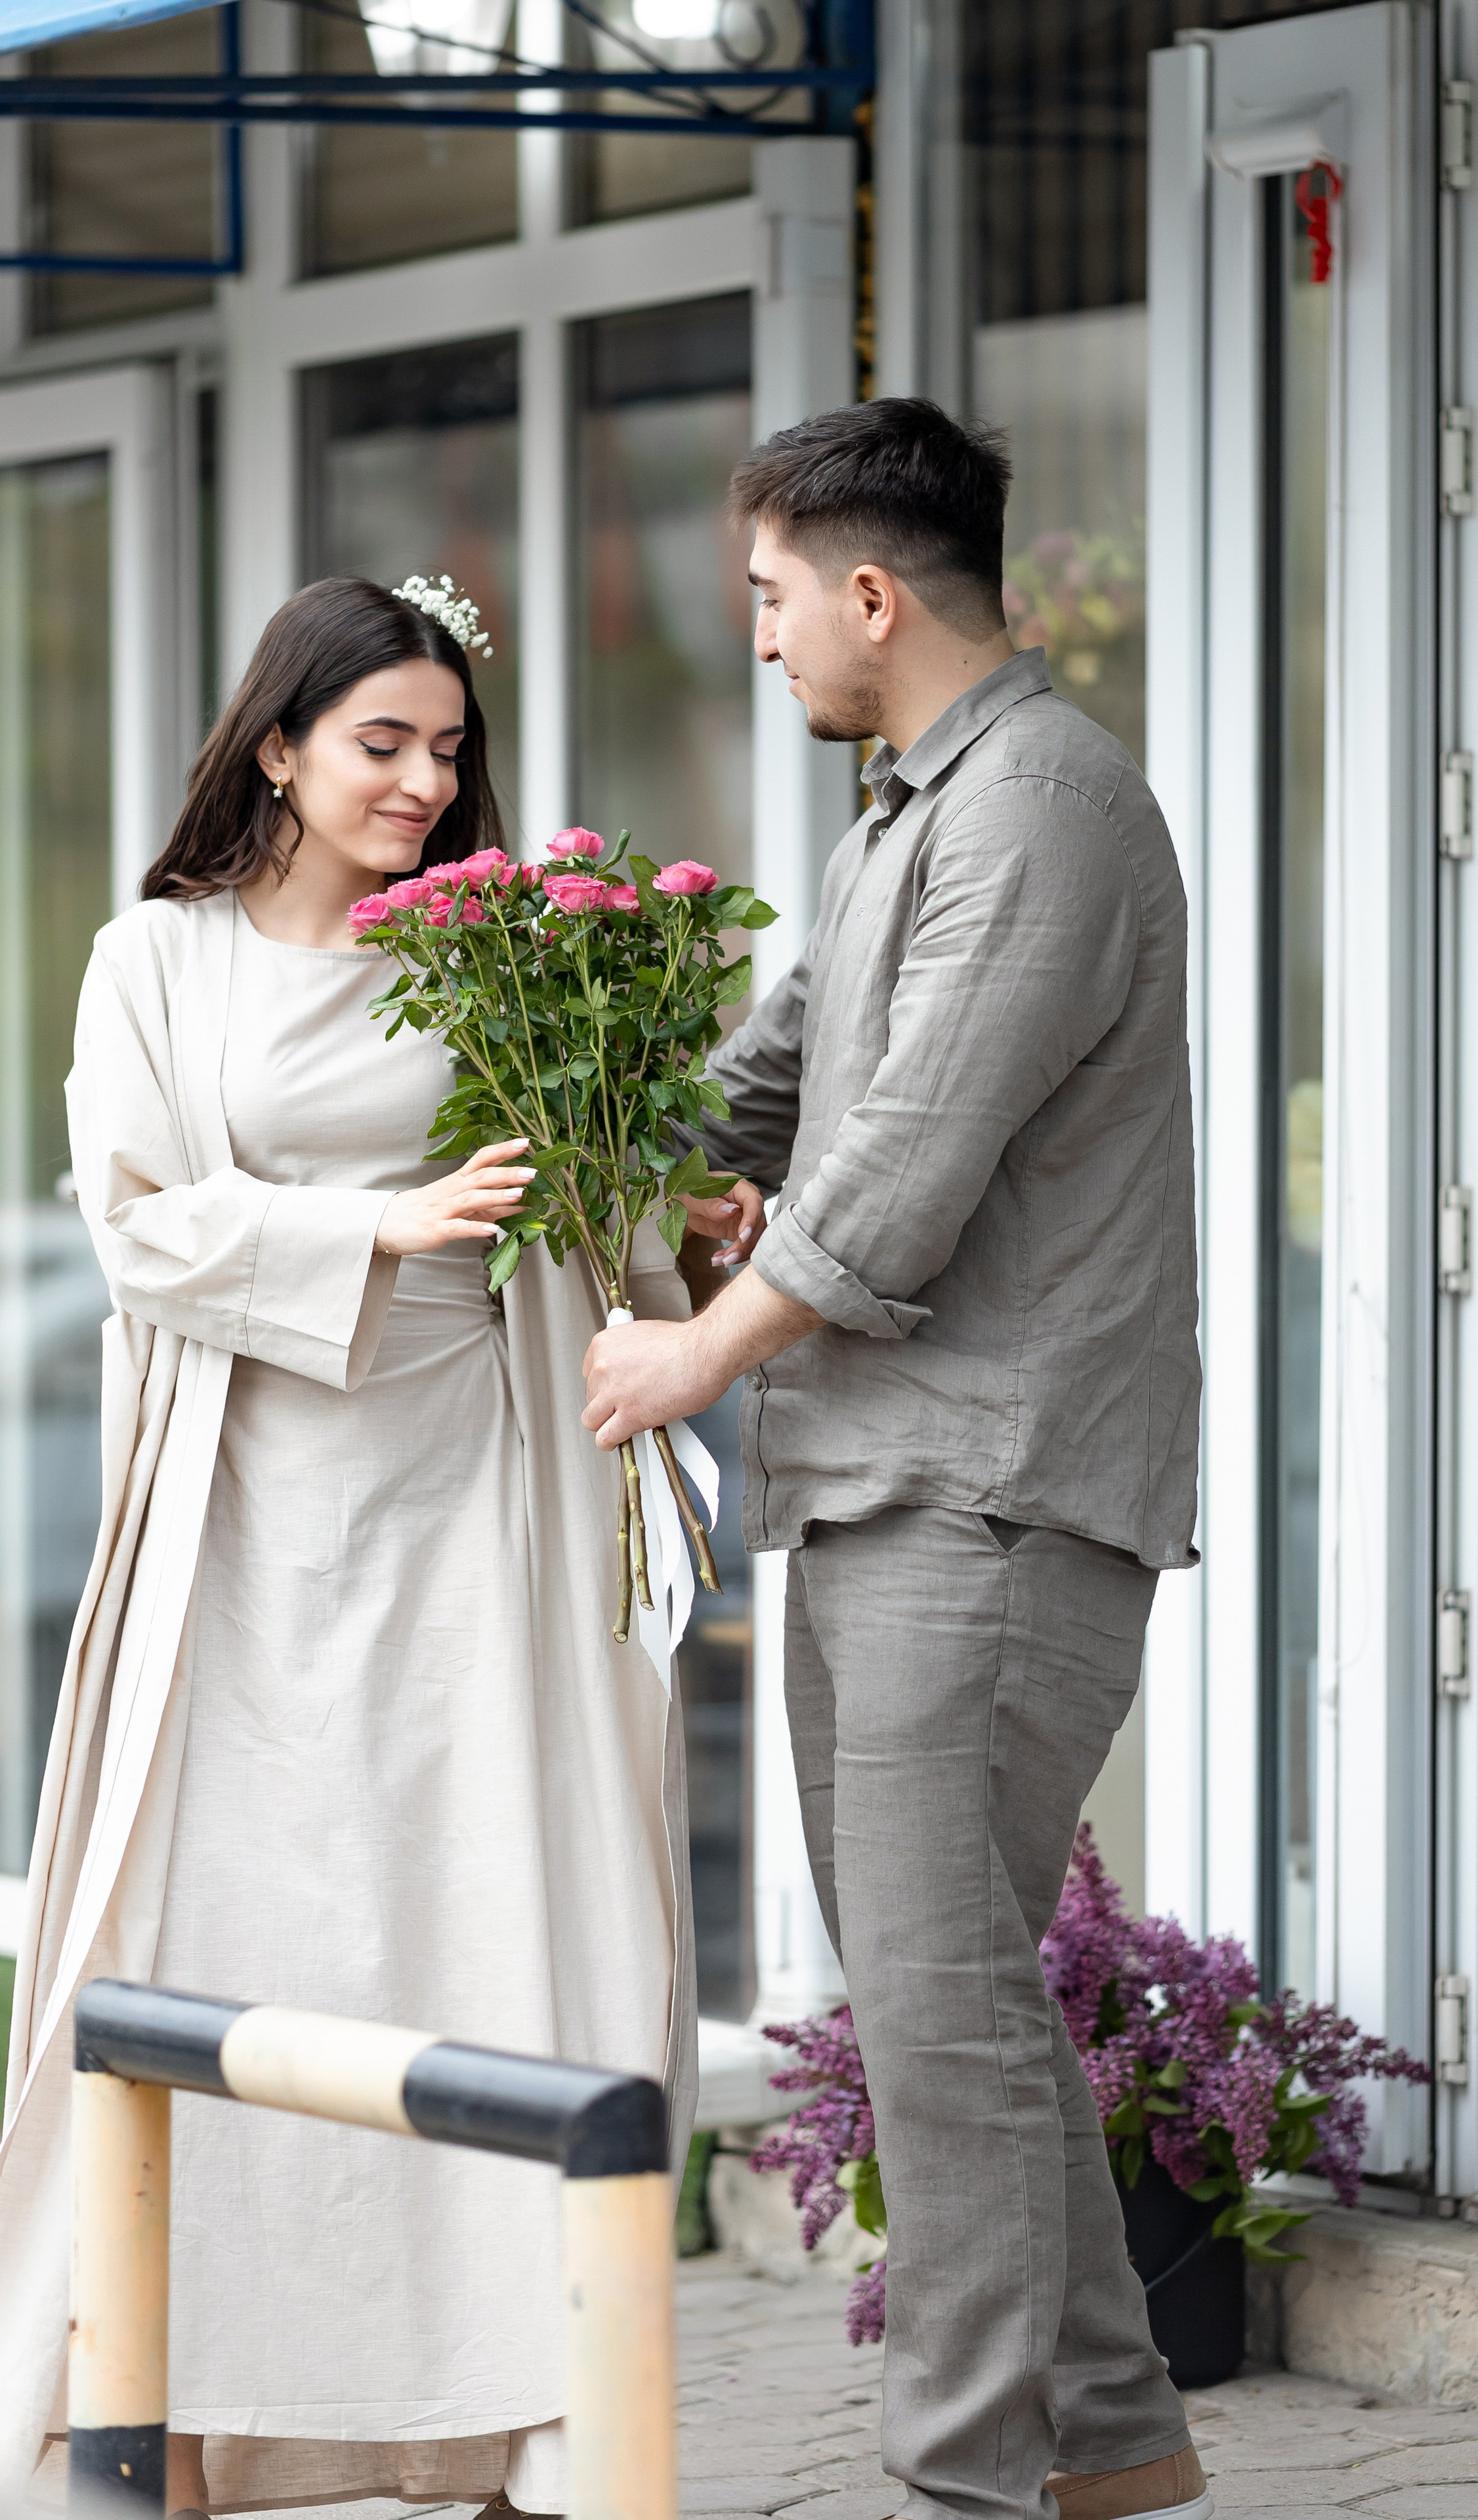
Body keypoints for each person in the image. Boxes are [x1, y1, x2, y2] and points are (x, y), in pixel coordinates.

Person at [0, 577, 696, 2518]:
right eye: (380, 742)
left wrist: (689, 1234)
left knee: (490, 1926)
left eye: (448, 749)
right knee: (216, 1936)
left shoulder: (507, 960)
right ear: (277, 749)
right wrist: (372, 1229)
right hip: (240, 1514)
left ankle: (523, 2426)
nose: (424, 782)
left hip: (474, 1498)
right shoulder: (157, 961)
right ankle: (169, 2420)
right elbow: (136, 1228)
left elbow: (594, 1201)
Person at [583, 400, 1208, 2520]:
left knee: (941, 2030)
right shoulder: (896, 826)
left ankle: (963, 2485)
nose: (757, 636)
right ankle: (1110, 2447)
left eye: (770, 597)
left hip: (993, 1498)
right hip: (874, 1486)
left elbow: (904, 1175)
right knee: (950, 2014)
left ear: (868, 594)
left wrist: (695, 1351)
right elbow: (771, 1101)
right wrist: (595, 1152)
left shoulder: (1043, 809)